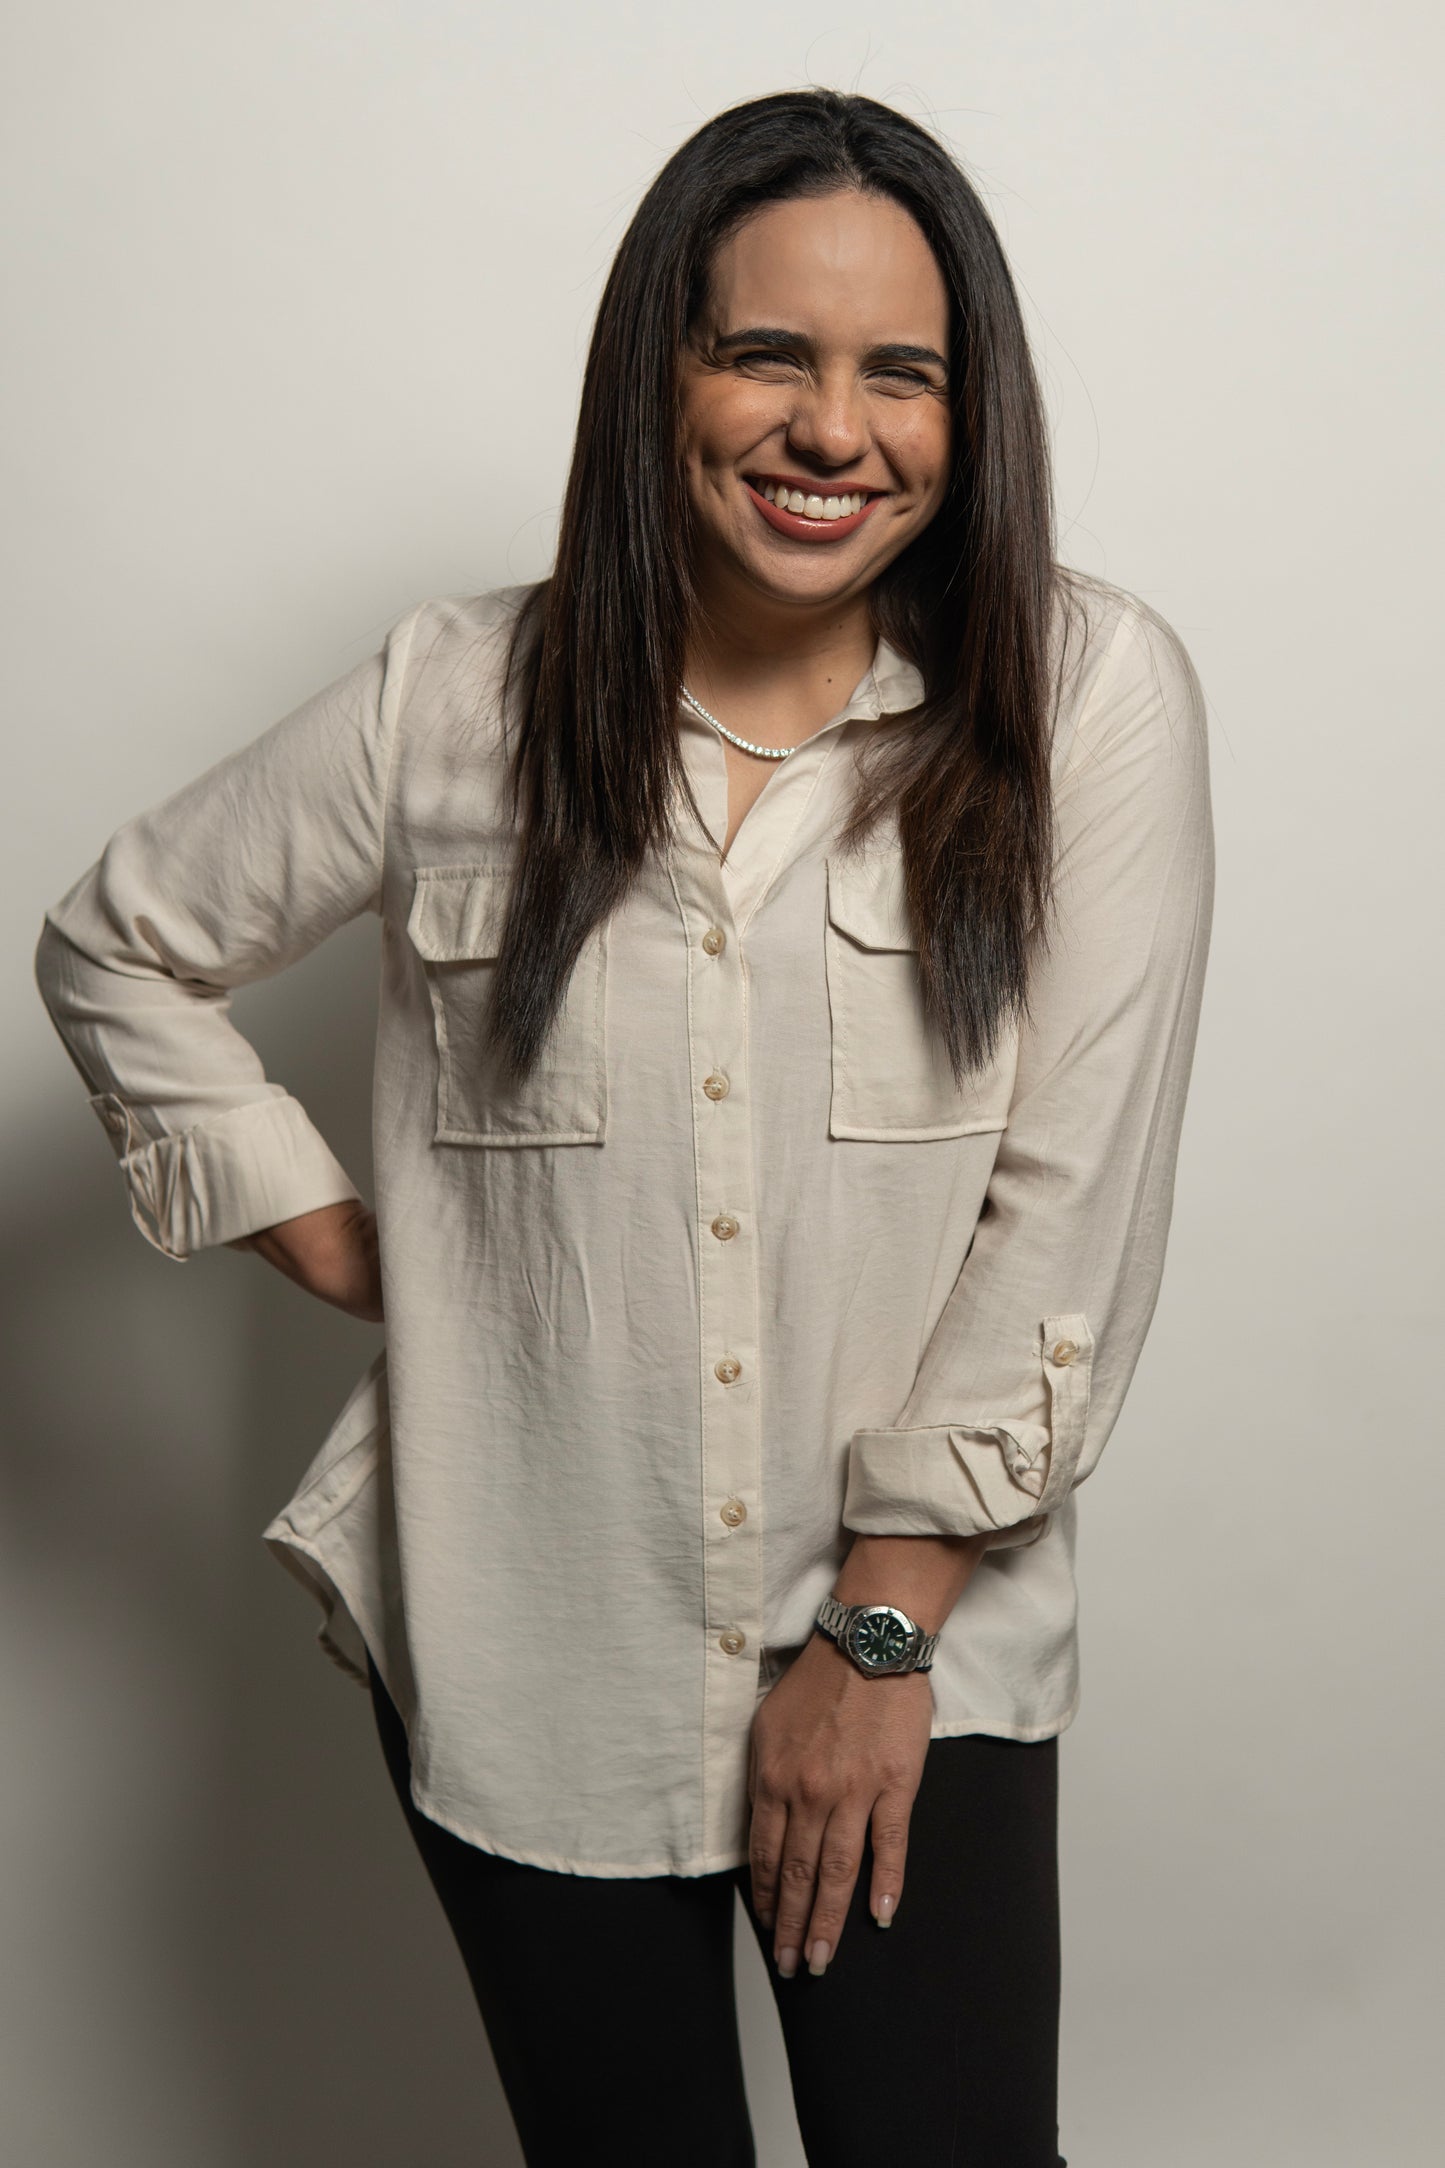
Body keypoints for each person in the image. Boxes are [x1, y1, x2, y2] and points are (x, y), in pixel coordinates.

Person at [34, 86, 1213, 2168]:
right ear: (659, 363)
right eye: (767, 350)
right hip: (530, 1647)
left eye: (898, 372)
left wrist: (878, 1625)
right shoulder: (452, 700)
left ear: (968, 411)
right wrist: (335, 1228)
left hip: (920, 1665)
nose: (831, 427)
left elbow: (1071, 1209)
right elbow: (121, 944)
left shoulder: (1084, 692)